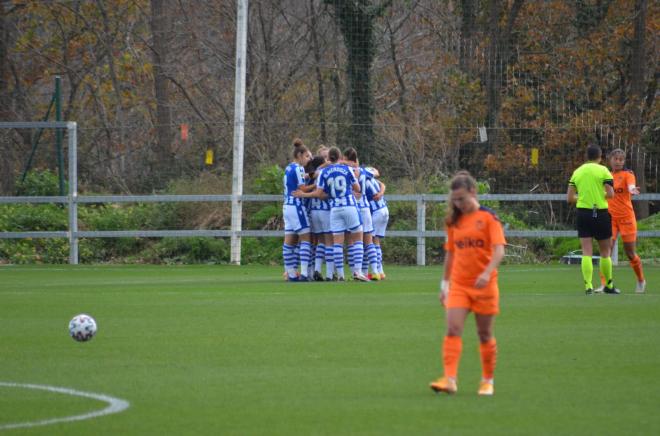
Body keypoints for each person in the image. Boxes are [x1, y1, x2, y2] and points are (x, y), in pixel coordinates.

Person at [430, 171, 505, 396]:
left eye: (461, 198)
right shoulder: (454, 221)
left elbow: (499, 250)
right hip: (460, 286)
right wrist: (445, 285)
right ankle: (450, 380)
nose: (458, 203)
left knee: (484, 334)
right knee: (453, 328)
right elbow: (450, 254)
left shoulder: (489, 218)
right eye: (455, 200)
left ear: (473, 192)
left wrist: (486, 272)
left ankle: (487, 380)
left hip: (485, 286)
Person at [294, 146, 369, 281]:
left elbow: (318, 193)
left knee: (337, 244)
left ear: (328, 158)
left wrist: (303, 194)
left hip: (334, 209)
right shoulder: (347, 169)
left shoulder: (324, 172)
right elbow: (357, 188)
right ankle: (357, 272)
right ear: (339, 157)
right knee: (358, 239)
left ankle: (340, 275)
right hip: (349, 206)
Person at [566, 144, 618, 295]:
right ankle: (608, 285)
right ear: (600, 156)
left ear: (586, 157)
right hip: (600, 213)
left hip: (584, 213)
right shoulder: (603, 171)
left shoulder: (578, 172)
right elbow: (611, 194)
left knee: (586, 251)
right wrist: (599, 195)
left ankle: (588, 285)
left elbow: (569, 198)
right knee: (605, 251)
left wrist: (583, 197)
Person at [596, 148, 645, 293]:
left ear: (624, 161)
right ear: (610, 160)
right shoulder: (606, 175)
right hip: (610, 219)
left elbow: (630, 185)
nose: (618, 162)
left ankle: (641, 280)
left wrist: (631, 190)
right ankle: (605, 284)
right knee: (606, 251)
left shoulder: (628, 174)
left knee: (630, 252)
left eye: (621, 159)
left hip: (627, 218)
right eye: (616, 159)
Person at [342, 148, 381, 280]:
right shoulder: (365, 171)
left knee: (353, 242)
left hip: (354, 208)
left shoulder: (347, 171)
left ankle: (355, 271)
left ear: (347, 159)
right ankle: (375, 271)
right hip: (366, 208)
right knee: (369, 242)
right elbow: (376, 173)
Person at [282, 138, 312, 281]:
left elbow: (295, 181)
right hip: (296, 206)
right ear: (299, 155)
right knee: (306, 238)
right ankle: (305, 273)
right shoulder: (299, 168)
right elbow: (302, 189)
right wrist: (316, 184)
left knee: (289, 242)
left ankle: (292, 274)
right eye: (306, 156)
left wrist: (309, 175)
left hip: (287, 206)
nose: (308, 159)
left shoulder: (289, 167)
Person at [365, 175, 389, 279]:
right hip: (383, 208)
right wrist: (381, 193)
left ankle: (375, 272)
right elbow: (382, 184)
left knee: (368, 240)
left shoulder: (358, 175)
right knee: (376, 240)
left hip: (375, 211)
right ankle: (380, 271)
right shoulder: (368, 174)